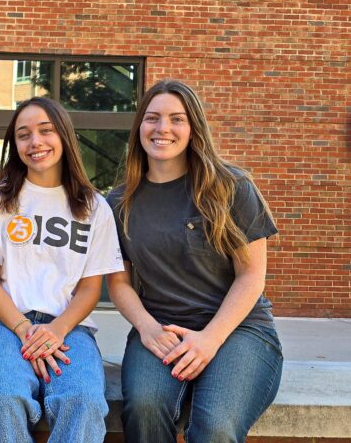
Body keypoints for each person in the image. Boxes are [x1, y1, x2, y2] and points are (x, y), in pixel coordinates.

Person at [106, 79, 282, 443]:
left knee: (214, 425)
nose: (162, 129)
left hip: (238, 331)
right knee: (144, 408)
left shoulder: (230, 187)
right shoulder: (119, 201)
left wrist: (209, 340)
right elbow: (119, 283)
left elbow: (251, 276)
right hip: (160, 331)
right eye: (152, 118)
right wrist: (148, 328)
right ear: (139, 125)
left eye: (176, 119)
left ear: (194, 128)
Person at [0, 97, 123, 443]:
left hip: (70, 326)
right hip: (2, 321)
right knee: (2, 396)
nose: (35, 142)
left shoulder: (94, 207)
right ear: (14, 144)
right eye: (23, 134)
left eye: (45, 131)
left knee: (82, 400)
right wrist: (24, 328)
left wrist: (55, 330)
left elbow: (89, 289)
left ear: (64, 136)